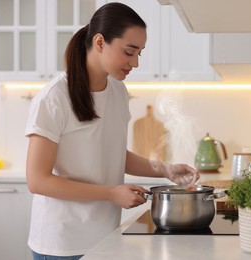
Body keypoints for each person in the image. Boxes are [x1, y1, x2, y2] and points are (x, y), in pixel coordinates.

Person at [25, 3, 198, 259]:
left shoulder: (117, 90)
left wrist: (165, 169)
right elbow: (37, 180)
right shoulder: (54, 98)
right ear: (99, 42)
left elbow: (114, 153)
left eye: (140, 53)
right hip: (62, 243)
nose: (136, 62)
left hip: (105, 238)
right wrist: (111, 193)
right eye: (129, 52)